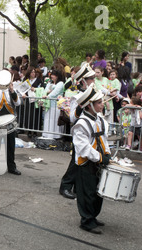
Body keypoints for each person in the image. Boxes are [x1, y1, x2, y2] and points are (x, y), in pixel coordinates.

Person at [72, 84, 110, 234]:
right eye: (99, 102)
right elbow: (84, 148)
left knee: (97, 192)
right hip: (86, 163)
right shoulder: (81, 124)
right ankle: (86, 220)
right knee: (87, 193)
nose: (102, 105)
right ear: (89, 106)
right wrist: (100, 157)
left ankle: (93, 216)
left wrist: (107, 153)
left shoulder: (99, 119)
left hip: (98, 162)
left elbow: (104, 139)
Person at [59, 63, 96, 200]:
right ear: (84, 81)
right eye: (91, 78)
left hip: (91, 132)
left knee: (85, 161)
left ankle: (77, 187)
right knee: (76, 161)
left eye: (93, 78)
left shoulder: (94, 95)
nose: (94, 80)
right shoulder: (77, 97)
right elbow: (73, 117)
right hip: (80, 131)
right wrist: (82, 105)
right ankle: (65, 186)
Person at [0, 71, 22, 175]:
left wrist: (12, 90)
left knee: (10, 145)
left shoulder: (11, 90)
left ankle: (11, 167)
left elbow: (18, 103)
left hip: (9, 121)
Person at [42, 70, 65, 140]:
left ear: (57, 76)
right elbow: (45, 90)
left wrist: (48, 96)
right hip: (49, 105)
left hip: (56, 106)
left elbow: (56, 92)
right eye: (51, 75)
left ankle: (56, 135)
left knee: (54, 120)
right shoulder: (50, 84)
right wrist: (47, 92)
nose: (52, 76)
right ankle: (47, 134)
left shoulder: (60, 83)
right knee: (48, 119)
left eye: (54, 75)